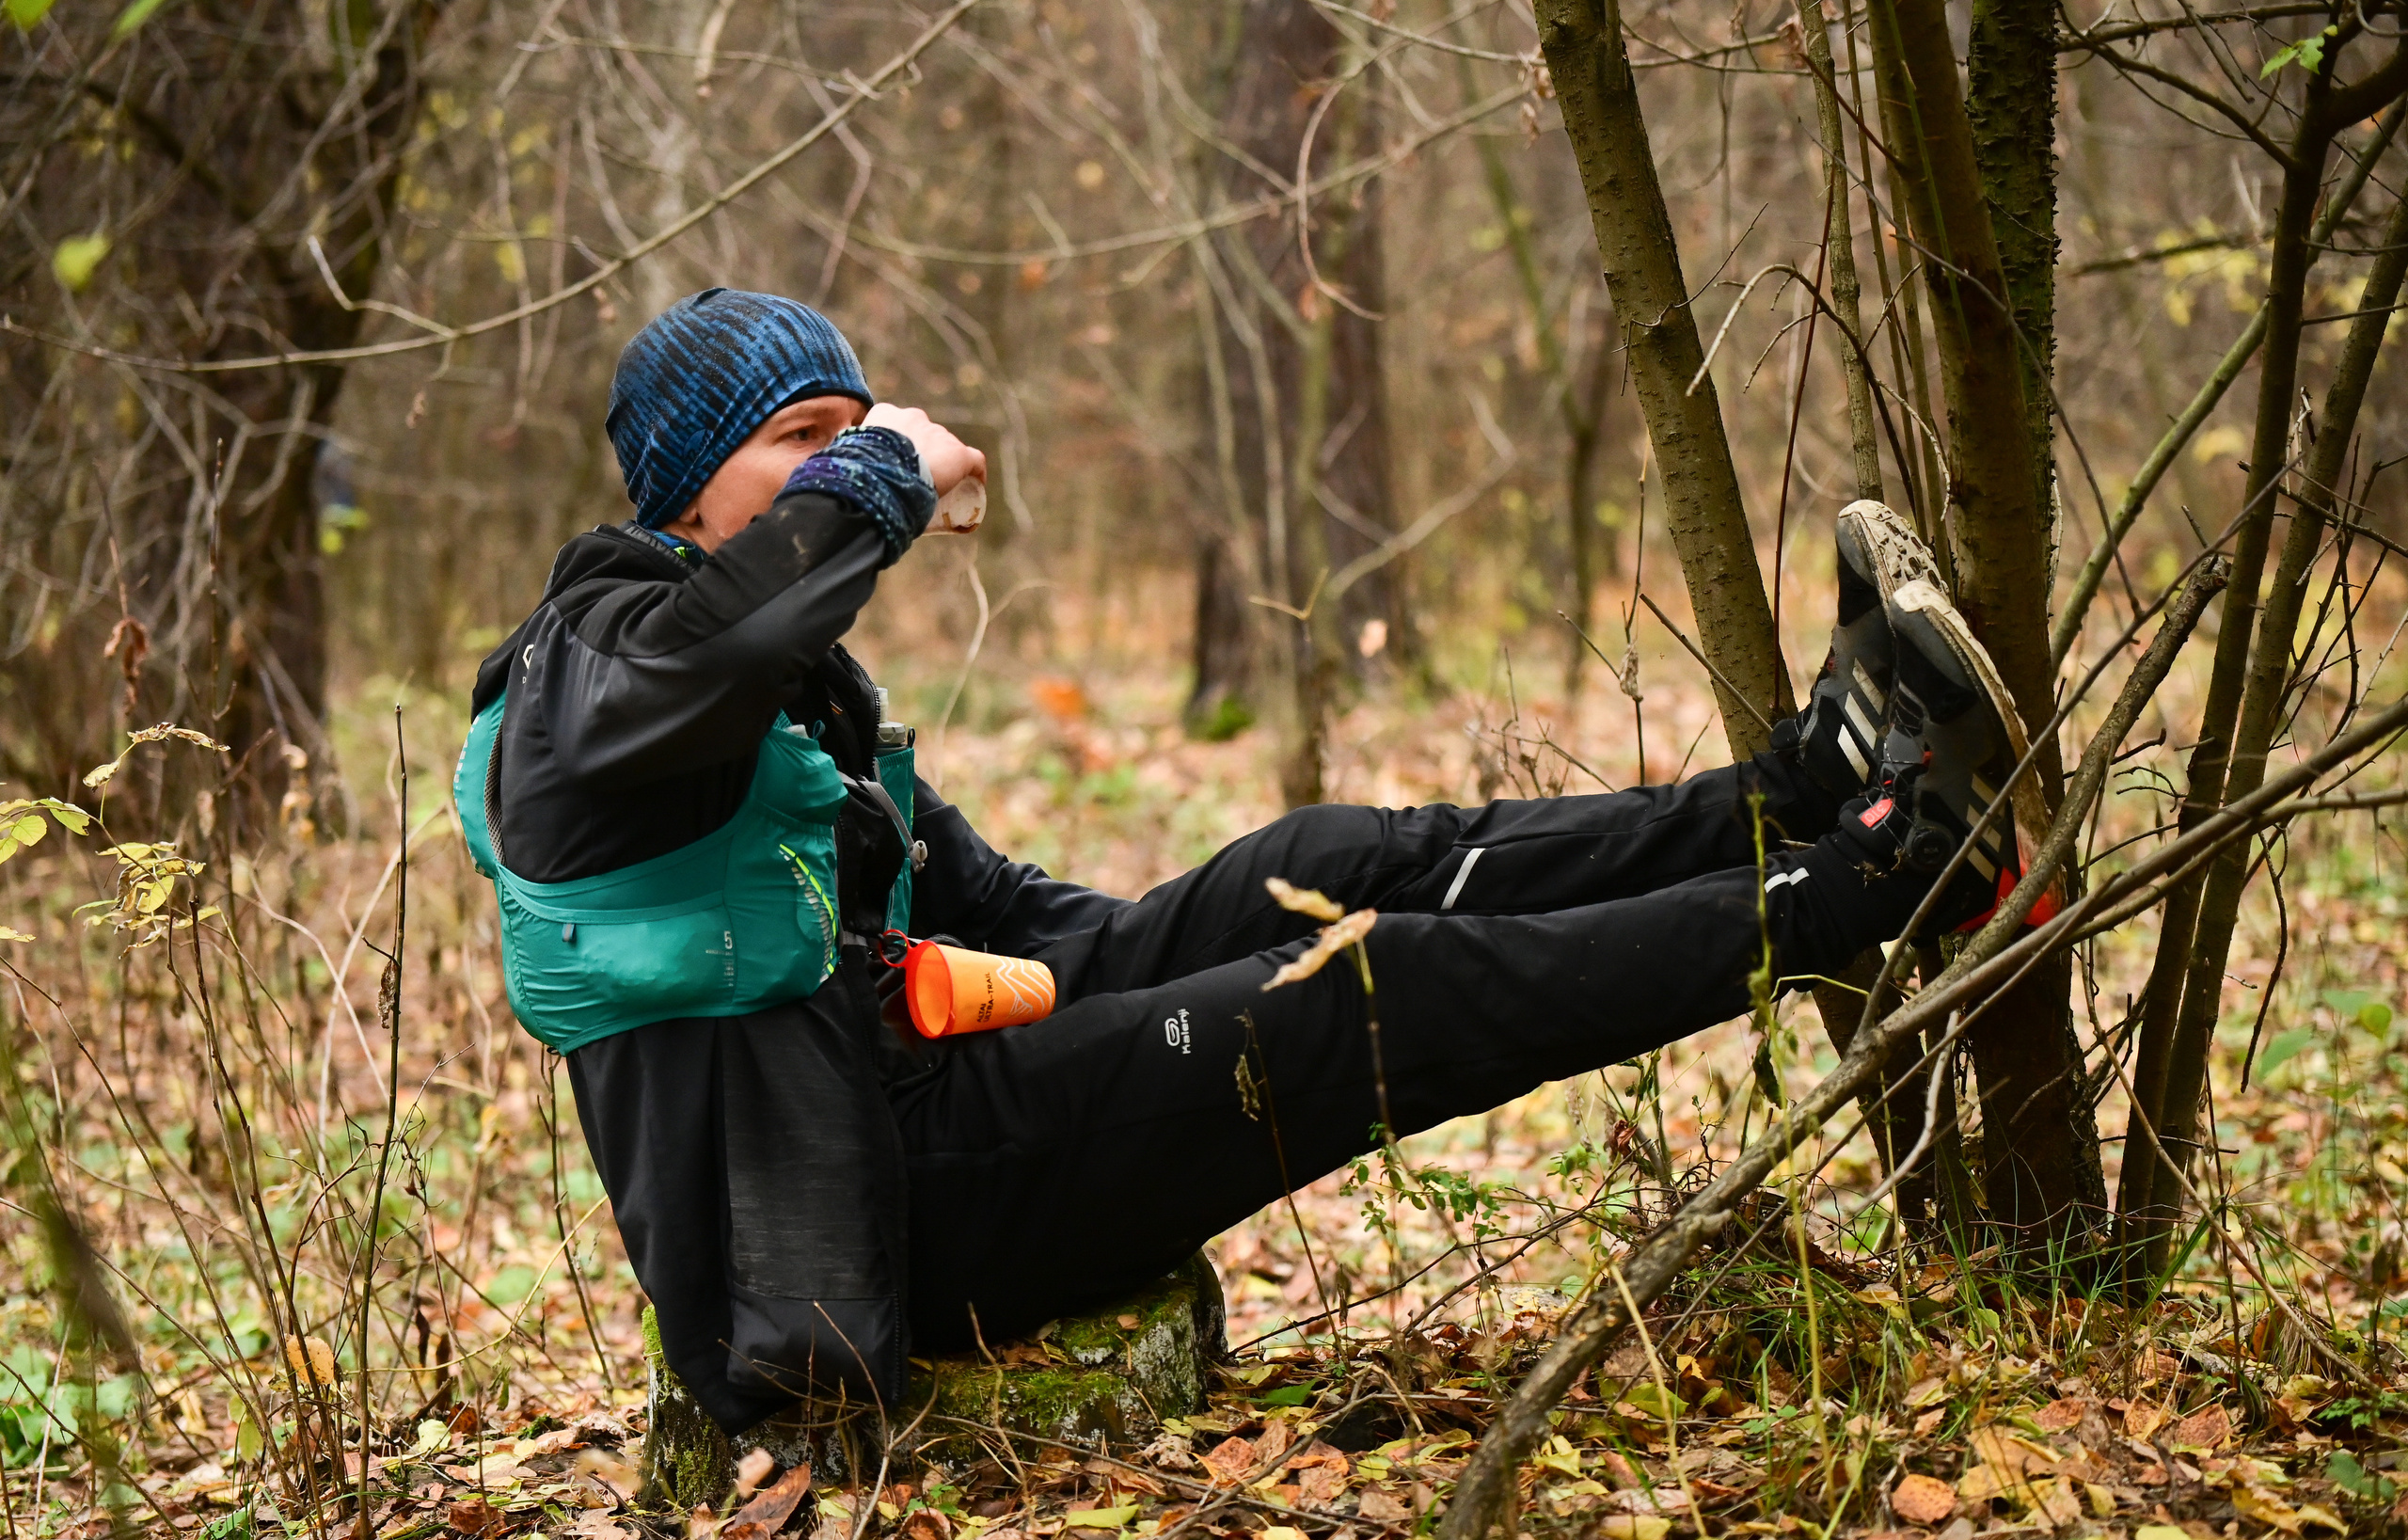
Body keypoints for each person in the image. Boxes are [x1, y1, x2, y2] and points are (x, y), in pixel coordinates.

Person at [458, 288, 2040, 1437]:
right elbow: (692, 662)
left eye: (844, 442)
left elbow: (991, 908)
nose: (831, 477)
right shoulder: (579, 670)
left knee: (1320, 863)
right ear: (686, 483)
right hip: (862, 1222)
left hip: (915, 1097)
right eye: (798, 447)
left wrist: (1183, 958)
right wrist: (877, 477)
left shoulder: (794, 689)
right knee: (1362, 987)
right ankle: (1884, 892)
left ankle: (1793, 797)